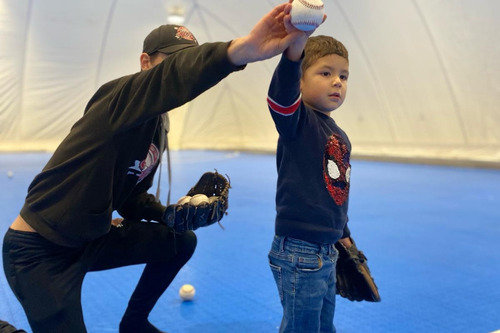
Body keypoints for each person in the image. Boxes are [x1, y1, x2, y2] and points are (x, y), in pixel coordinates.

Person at [1, 3, 309, 333]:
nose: (183, 70)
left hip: (89, 240)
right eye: (174, 62)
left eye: (189, 59)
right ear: (145, 62)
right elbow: (173, 79)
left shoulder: (158, 125)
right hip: (39, 253)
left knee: (180, 241)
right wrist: (242, 50)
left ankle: (134, 323)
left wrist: (167, 215)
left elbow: (131, 197)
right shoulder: (118, 97)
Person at [266, 27, 356, 332]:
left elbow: (337, 190)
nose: (337, 82)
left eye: (343, 76)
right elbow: (280, 97)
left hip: (327, 249)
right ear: (300, 81)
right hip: (299, 253)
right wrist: (294, 55)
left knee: (322, 325)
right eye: (326, 72)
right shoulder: (297, 122)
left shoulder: (339, 134)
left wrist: (343, 233)